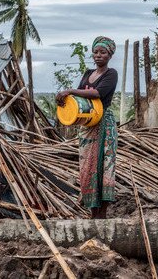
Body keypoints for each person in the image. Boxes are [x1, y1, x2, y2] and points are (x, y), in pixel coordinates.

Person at [56, 36, 118, 219]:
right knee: (87, 168)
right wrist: (64, 100)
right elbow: (79, 101)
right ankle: (93, 213)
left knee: (104, 167)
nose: (98, 55)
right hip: (87, 125)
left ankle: (102, 214)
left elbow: (96, 93)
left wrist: (70, 90)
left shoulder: (111, 74)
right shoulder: (87, 73)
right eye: (96, 52)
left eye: (103, 52)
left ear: (110, 55)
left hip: (103, 124)